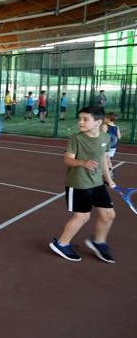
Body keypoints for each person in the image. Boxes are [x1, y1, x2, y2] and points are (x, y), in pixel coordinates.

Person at [49, 106, 116, 263]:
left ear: (98, 122)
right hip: (78, 183)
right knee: (82, 216)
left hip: (97, 183)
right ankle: (62, 244)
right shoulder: (76, 138)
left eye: (85, 119)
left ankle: (98, 242)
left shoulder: (105, 137)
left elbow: (103, 159)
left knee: (108, 215)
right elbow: (67, 159)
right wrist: (82, 163)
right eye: (80, 119)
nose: (81, 122)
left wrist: (108, 178)